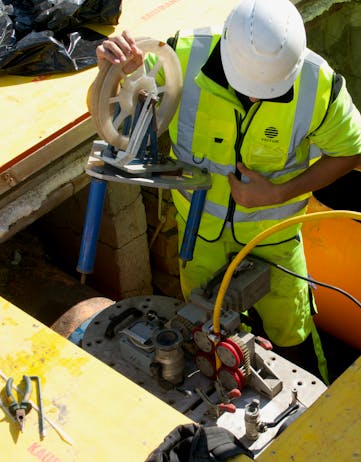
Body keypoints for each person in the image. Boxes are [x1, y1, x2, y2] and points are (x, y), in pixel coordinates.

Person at [96, 0, 361, 383]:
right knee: (206, 338)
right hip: (198, 241)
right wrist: (114, 71)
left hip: (275, 242)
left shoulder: (317, 83)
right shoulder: (180, 55)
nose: (256, 98)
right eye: (250, 88)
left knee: (294, 340)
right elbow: (122, 112)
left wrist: (278, 193)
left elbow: (351, 151)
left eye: (270, 92)